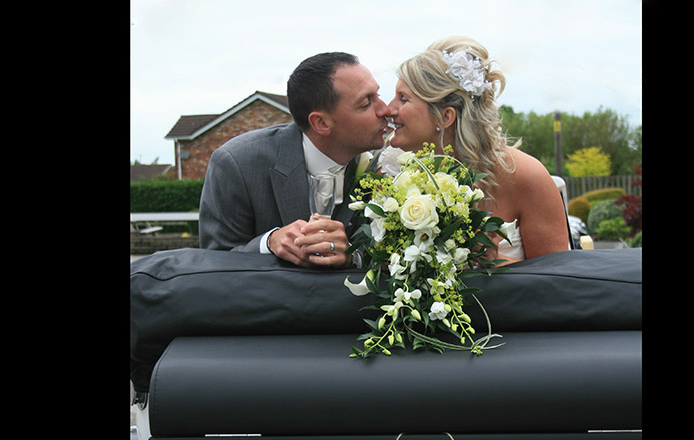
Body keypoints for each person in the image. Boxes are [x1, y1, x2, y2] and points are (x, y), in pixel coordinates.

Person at [385, 36, 571, 263]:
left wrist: (493, 262)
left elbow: (558, 281)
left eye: (403, 99)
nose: (388, 109)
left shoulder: (525, 175)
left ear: (445, 117)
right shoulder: (393, 173)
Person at [199, 52, 392, 268]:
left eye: (378, 94)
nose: (386, 109)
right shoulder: (236, 164)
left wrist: (353, 257)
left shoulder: (387, 164)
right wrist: (268, 243)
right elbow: (213, 263)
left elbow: (394, 255)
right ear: (321, 123)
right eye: (366, 103)